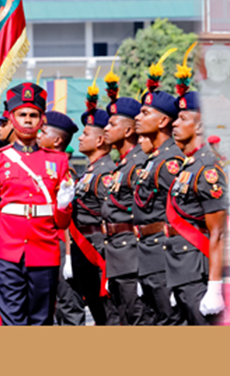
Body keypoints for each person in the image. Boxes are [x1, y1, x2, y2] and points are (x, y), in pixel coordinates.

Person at [0, 82, 75, 325]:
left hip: (44, 252)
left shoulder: (59, 161)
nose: (28, 120)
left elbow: (62, 223)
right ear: (11, 118)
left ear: (42, 120)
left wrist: (63, 205)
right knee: (12, 323)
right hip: (6, 252)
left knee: (41, 322)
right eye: (22, 114)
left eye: (34, 115)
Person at [167, 71, 228, 325]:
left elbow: (218, 232)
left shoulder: (208, 168)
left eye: (182, 119)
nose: (174, 124)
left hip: (197, 270)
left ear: (200, 126)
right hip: (181, 269)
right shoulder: (188, 166)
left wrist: (214, 287)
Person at [133, 88, 185, 325]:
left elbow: (184, 212)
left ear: (163, 121)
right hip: (148, 253)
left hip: (164, 253)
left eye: (145, 113)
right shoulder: (154, 158)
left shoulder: (171, 162)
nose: (137, 117)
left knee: (170, 321)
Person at [101, 95, 151, 325]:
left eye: (112, 124)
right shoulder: (123, 163)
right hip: (117, 253)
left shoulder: (139, 162)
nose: (105, 128)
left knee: (136, 318)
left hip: (132, 255)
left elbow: (144, 213)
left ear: (129, 130)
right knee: (122, 317)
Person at [70, 106, 120, 325]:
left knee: (110, 317)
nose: (80, 138)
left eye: (86, 134)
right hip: (85, 253)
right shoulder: (90, 172)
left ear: (100, 141)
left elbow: (110, 217)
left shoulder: (106, 173)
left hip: (99, 255)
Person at [37, 110, 84, 325]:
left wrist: (68, 257)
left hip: (62, 248)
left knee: (68, 309)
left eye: (43, 131)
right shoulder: (43, 169)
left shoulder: (65, 172)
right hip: (45, 247)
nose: (37, 134)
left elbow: (68, 218)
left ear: (56, 141)